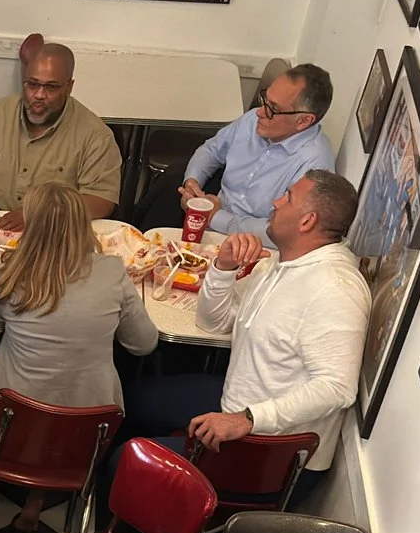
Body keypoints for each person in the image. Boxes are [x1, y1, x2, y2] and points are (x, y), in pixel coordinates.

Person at [123, 170, 370, 494]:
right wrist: (223, 268)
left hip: (270, 452)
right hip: (236, 403)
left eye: (288, 197)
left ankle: (129, 532)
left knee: (123, 463)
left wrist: (247, 419)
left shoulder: (335, 288)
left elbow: (337, 388)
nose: (276, 202)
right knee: (128, 400)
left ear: (307, 221)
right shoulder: (284, 264)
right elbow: (212, 323)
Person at [0, 180, 156, 533]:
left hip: (12, 420)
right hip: (87, 426)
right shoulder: (112, 271)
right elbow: (144, 344)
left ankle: (19, 479)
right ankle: (39, 500)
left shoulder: (8, 276)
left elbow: (3, 317)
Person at [0, 39, 120, 224]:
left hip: (52, 230)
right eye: (32, 84)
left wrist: (41, 214)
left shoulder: (95, 135)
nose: (39, 95)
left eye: (51, 87)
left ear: (69, 87)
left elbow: (101, 200)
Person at [181, 64, 337, 237]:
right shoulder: (252, 120)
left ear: (304, 121)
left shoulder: (315, 163)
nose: (260, 113)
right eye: (265, 100)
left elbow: (287, 230)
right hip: (210, 218)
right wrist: (192, 183)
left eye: (273, 109)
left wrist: (216, 218)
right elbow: (211, 150)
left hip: (251, 245)